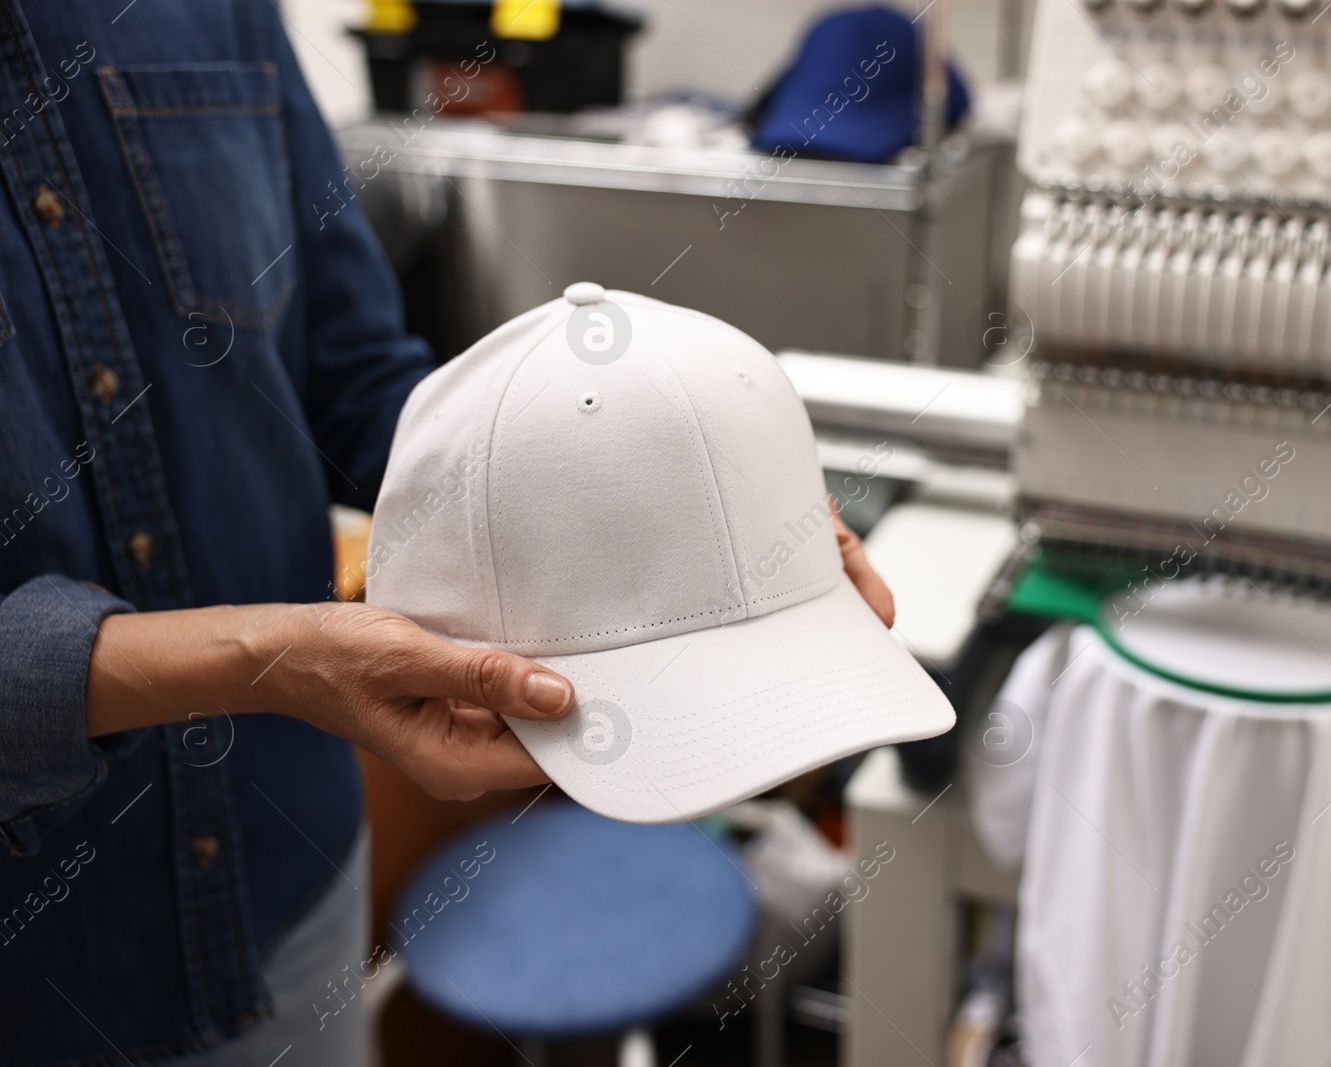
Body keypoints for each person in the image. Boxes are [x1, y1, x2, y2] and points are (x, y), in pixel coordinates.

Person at [0, 2, 895, 1064]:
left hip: (288, 871)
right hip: (45, 968)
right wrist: (261, 660)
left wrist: (689, 501)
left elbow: (355, 377)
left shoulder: (211, 13)